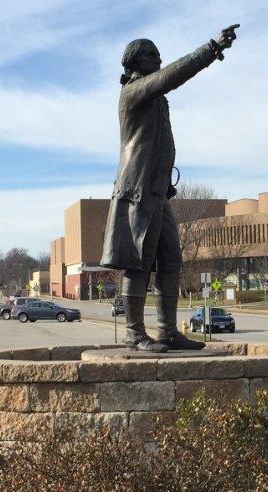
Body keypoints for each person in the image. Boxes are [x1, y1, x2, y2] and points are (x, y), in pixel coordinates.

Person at [101, 25, 238, 351]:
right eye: (151, 54)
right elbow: (174, 75)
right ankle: (135, 333)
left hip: (157, 193)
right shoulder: (135, 90)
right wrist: (211, 48)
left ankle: (167, 331)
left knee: (171, 260)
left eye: (159, 53)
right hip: (137, 192)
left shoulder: (155, 98)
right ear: (134, 61)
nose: (159, 58)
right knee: (139, 262)